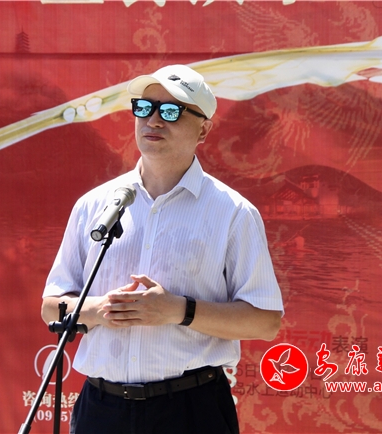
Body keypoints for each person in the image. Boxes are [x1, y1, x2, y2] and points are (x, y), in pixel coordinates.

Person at [41, 64, 284, 434]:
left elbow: (265, 321)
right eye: (144, 108)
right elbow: (51, 307)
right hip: (102, 409)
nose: (153, 120)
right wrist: (104, 310)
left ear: (204, 129)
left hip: (190, 409)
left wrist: (179, 311)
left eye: (171, 111)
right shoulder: (95, 205)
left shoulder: (233, 212)